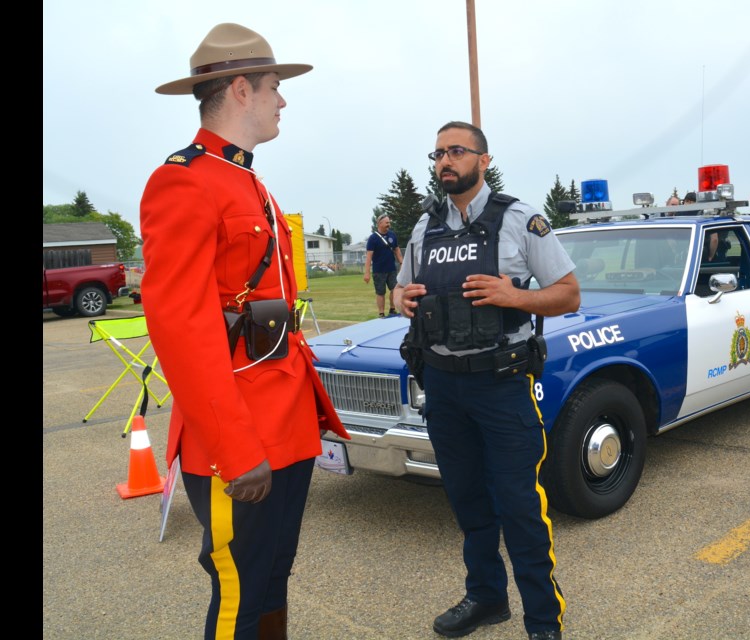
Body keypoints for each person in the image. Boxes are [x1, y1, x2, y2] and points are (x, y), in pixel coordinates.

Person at [139, 23, 349, 640]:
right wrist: (236, 449)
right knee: (239, 590)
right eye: (274, 86)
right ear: (240, 89)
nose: (283, 100)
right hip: (241, 437)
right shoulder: (184, 181)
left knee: (271, 579)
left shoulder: (250, 182)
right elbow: (182, 327)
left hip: (284, 423)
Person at [393, 121, 579, 640]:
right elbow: (402, 288)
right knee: (469, 501)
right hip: (444, 388)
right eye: (437, 154)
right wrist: (397, 298)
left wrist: (514, 296)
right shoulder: (424, 225)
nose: (444, 162)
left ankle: (544, 621)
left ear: (484, 160)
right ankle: (486, 597)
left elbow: (568, 294)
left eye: (456, 151)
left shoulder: (520, 220)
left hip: (501, 387)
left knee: (520, 506)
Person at [363, 213, 403, 316]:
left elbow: (397, 250)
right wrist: (367, 273)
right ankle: (381, 313)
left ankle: (392, 309)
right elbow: (369, 257)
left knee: (394, 289)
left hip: (392, 269)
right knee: (380, 292)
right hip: (379, 271)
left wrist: (401, 262)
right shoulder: (373, 238)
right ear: (380, 223)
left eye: (389, 222)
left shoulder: (392, 235)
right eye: (386, 222)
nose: (389, 224)